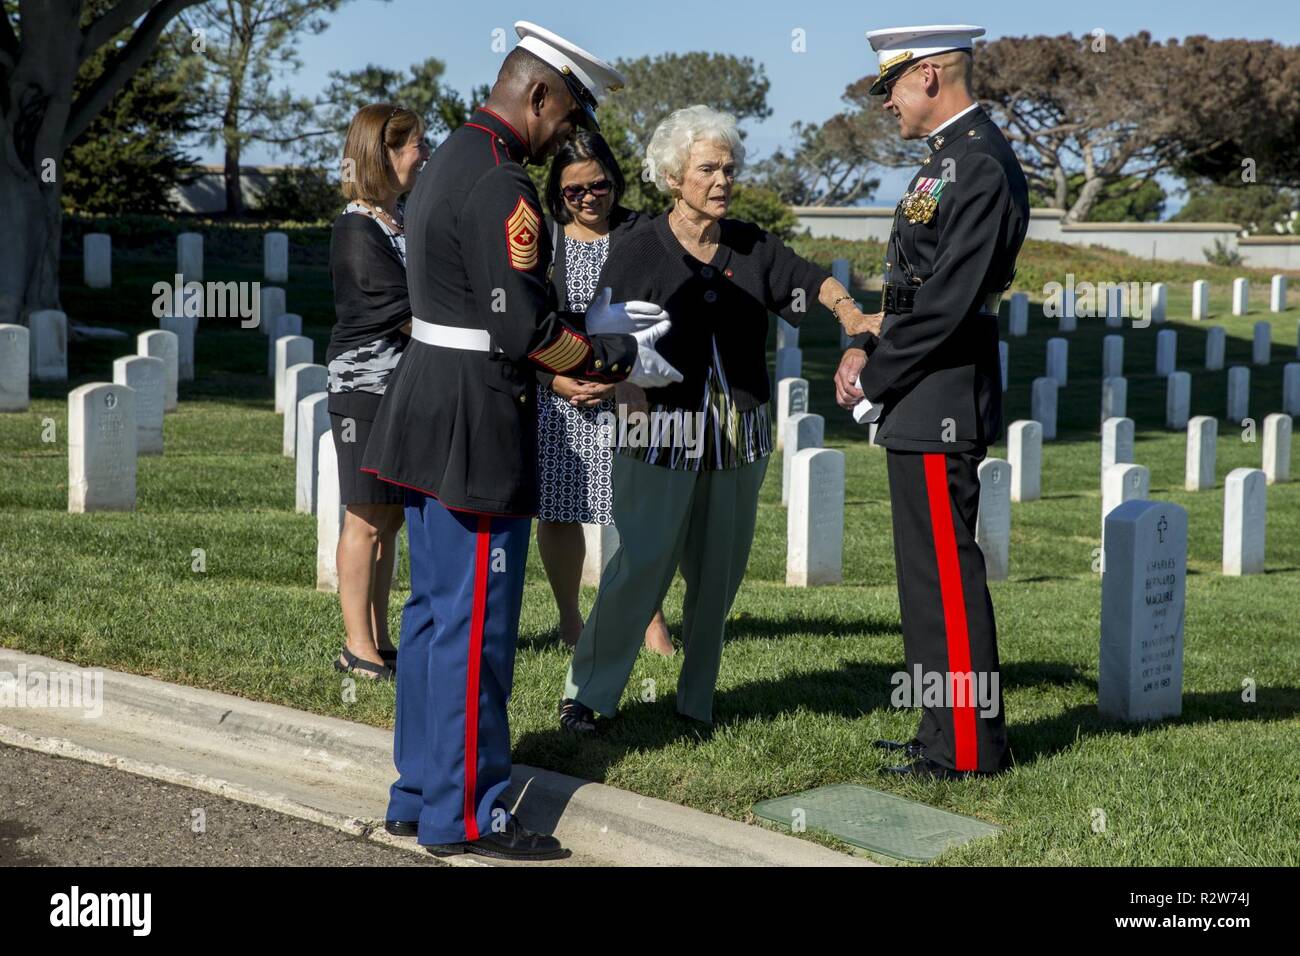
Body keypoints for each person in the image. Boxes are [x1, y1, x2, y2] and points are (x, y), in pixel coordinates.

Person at [360, 21, 679, 860]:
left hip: (427, 406)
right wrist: (611, 351)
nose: (565, 135)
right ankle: (466, 815)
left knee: (431, 619)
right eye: (564, 113)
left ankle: (417, 793)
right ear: (535, 94)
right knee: (476, 631)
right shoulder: (502, 184)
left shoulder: (447, 161)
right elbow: (520, 323)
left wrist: (561, 346)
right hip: (473, 424)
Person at [558, 105, 880, 734]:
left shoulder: (751, 245)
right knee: (639, 564)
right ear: (674, 177)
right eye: (707, 168)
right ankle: (588, 696)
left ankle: (695, 703)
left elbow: (811, 281)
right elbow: (602, 327)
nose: (722, 180)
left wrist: (849, 314)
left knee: (717, 577)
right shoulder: (637, 249)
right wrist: (610, 381)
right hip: (656, 432)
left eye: (729, 168)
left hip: (738, 437)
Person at [834, 25, 1029, 780]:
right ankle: (938, 734)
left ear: (931, 77)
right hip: (922, 386)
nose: (885, 102)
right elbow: (913, 292)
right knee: (925, 578)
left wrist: (881, 378)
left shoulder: (978, 164)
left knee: (948, 575)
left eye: (891, 86)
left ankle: (972, 749)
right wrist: (870, 350)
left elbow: (947, 303)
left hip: (941, 388)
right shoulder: (947, 160)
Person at [534, 131, 673, 654]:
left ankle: (648, 617)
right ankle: (571, 619)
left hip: (632, 394)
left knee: (637, 510)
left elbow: (664, 315)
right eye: (575, 191)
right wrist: (555, 379)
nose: (589, 197)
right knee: (560, 510)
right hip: (561, 398)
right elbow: (528, 322)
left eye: (600, 185)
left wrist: (627, 380)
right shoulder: (544, 240)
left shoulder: (643, 234)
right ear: (559, 194)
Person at [327, 104, 429, 681]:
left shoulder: (403, 218)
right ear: (383, 154)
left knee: (389, 518)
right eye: (416, 144)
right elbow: (403, 310)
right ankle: (356, 647)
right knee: (364, 517)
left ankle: (381, 639)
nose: (424, 154)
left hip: (403, 389)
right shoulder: (356, 228)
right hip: (363, 390)